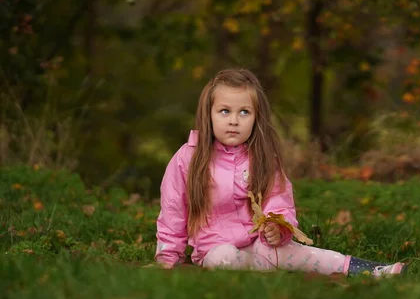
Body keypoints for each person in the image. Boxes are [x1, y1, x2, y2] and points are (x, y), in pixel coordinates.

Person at [154, 69, 406, 277]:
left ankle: (367, 270)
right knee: (225, 258)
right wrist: (168, 258)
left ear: (256, 117)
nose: (234, 120)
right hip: (215, 249)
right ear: (208, 115)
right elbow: (173, 211)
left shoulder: (262, 157)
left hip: (260, 244)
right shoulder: (189, 158)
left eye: (244, 112)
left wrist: (278, 227)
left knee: (296, 253)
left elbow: (278, 198)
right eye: (224, 111)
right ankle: (263, 273)